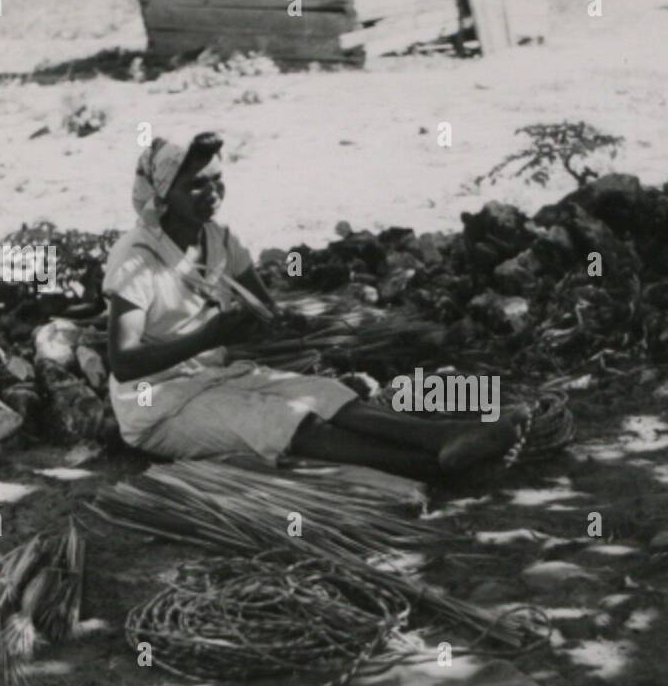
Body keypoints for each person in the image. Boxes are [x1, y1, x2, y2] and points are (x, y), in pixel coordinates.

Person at [104, 132, 529, 479]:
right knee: (282, 422)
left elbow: (264, 309)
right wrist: (210, 335)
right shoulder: (136, 259)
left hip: (216, 375)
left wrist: (276, 321)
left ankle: (448, 434)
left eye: (217, 179)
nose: (212, 192)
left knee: (324, 393)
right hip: (158, 406)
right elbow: (124, 364)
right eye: (196, 184)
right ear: (162, 194)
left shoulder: (218, 237)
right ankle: (438, 467)